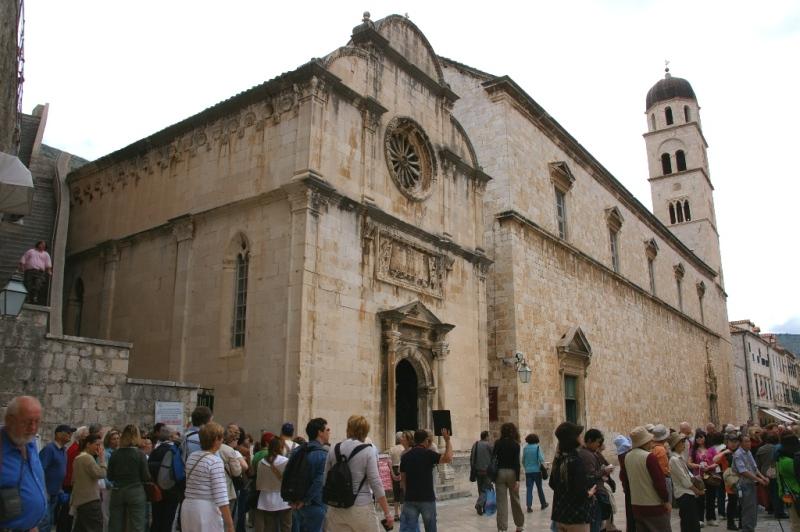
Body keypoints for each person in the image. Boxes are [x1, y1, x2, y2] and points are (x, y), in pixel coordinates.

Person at [324, 415, 393, 531]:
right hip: (361, 506)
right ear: (365, 431)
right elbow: (375, 482)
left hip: (336, 508)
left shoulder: (334, 449)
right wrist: (387, 512)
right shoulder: (368, 450)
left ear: (348, 429)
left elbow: (325, 479)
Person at [0, 396, 47, 531]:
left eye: (37, 422)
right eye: (27, 422)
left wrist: (32, 524)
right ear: (10, 420)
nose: (33, 428)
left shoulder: (30, 443)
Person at [181, 422, 235, 532]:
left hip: (188, 507)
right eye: (221, 438)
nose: (222, 441)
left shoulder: (192, 457)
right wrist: (230, 525)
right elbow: (221, 497)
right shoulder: (215, 461)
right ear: (216, 440)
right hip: (205, 510)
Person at [399, 427, 452, 532]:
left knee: (409, 529)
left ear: (414, 440)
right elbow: (448, 458)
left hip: (410, 499)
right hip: (427, 499)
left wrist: (407, 495)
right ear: (426, 440)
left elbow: (403, 481)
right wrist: (447, 440)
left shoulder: (405, 457)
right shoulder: (429, 454)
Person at [620, 426, 670, 532]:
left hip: (636, 505)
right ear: (645, 442)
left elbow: (624, 479)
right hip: (653, 505)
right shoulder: (649, 457)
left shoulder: (627, 456)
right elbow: (659, 482)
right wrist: (666, 500)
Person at [550, 422, 594, 532]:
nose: (581, 437)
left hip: (560, 515)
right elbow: (580, 492)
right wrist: (589, 493)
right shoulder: (576, 461)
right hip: (576, 517)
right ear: (573, 439)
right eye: (578, 435)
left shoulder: (559, 460)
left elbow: (552, 484)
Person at [107, 424, 150, 532]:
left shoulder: (115, 454)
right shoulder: (140, 454)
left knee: (115, 525)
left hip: (118, 491)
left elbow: (109, 476)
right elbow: (146, 476)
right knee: (137, 525)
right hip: (135, 491)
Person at [290, 418, 330, 532]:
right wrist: (304, 501)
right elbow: (318, 482)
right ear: (320, 432)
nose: (329, 432)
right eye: (327, 430)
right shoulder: (322, 454)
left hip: (296, 504)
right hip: (314, 504)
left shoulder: (297, 451)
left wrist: (293, 500)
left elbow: (288, 475)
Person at [38, 424, 74, 532]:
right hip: (46, 493)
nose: (70, 435)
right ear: (58, 434)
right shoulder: (49, 449)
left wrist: (60, 490)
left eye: (71, 433)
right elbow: (40, 470)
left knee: (50, 521)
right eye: (67, 432)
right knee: (44, 523)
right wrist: (44, 490)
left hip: (55, 493)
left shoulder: (63, 451)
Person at [147, 424, 181, 532]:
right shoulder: (175, 451)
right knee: (168, 521)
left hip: (157, 489)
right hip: (172, 490)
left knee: (156, 520)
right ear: (171, 437)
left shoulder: (155, 451)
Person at [71, 433, 108, 532]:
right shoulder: (87, 458)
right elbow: (101, 474)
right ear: (88, 444)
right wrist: (102, 459)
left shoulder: (78, 458)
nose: (99, 448)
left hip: (81, 501)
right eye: (97, 444)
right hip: (90, 501)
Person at [254, 437, 291, 532]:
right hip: (283, 499)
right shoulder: (285, 461)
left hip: (266, 499)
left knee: (269, 527)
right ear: (281, 448)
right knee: (286, 526)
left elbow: (259, 482)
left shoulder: (261, 462)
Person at [492, 423, 524, 532]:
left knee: (501, 502)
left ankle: (502, 528)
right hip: (512, 473)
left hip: (500, 473)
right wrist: (518, 479)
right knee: (515, 499)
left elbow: (493, 458)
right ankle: (519, 525)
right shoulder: (516, 444)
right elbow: (517, 463)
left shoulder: (497, 443)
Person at [668, 432, 702, 532]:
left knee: (692, 523)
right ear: (676, 444)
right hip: (684, 494)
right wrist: (696, 490)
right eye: (682, 441)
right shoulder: (674, 460)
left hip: (687, 494)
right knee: (689, 524)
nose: (684, 443)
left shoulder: (679, 457)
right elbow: (684, 480)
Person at [733, 435, 769, 532]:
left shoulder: (748, 452)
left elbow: (754, 467)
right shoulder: (738, 454)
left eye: (749, 441)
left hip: (751, 483)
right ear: (740, 443)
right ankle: (747, 529)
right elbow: (743, 471)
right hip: (743, 484)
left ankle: (751, 528)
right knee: (747, 508)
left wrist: (762, 477)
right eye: (746, 441)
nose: (749, 443)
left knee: (753, 508)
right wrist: (759, 479)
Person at [689, 430, 718, 527]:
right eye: (697, 437)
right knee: (700, 498)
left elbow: (716, 461)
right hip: (698, 477)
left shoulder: (711, 449)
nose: (699, 439)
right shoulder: (693, 450)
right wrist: (699, 466)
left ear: (705, 437)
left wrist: (709, 467)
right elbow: (689, 463)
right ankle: (700, 519)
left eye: (701, 437)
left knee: (711, 498)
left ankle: (711, 518)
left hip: (710, 476)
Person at [714, 434, 740, 531]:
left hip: (741, 478)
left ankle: (741, 523)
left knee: (741, 501)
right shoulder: (725, 452)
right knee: (732, 501)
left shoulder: (740, 451)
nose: (733, 444)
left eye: (735, 442)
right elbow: (715, 460)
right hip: (730, 480)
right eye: (731, 442)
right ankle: (730, 523)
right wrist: (724, 452)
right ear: (727, 442)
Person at [776, 434, 800, 532]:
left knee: (795, 522)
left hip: (789, 494)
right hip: (795, 494)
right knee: (797, 523)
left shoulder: (781, 458)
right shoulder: (789, 461)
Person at [18, 240, 53, 304]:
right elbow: (24, 257)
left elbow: (48, 264)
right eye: (41, 244)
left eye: (44, 245)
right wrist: (22, 266)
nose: (42, 246)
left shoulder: (46, 254)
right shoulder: (31, 251)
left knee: (38, 284)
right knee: (28, 284)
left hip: (40, 272)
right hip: (29, 271)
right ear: (38, 244)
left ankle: (34, 296)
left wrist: (49, 271)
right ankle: (27, 298)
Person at [614, 434, 634, 532]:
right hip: (629, 484)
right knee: (631, 510)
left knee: (630, 510)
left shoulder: (622, 455)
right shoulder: (625, 455)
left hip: (627, 484)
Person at [522, 433, 547, 513]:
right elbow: (542, 459)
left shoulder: (525, 448)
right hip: (537, 471)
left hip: (528, 472)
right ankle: (543, 503)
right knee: (539, 488)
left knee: (529, 489)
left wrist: (526, 467)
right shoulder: (537, 447)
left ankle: (529, 506)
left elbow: (523, 460)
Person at [470, 430, 493, 515]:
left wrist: (473, 468)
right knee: (486, 489)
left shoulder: (475, 444)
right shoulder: (489, 445)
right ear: (486, 436)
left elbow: (472, 458)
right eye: (489, 436)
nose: (489, 437)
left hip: (477, 471)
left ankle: (483, 508)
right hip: (487, 471)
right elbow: (494, 457)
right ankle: (479, 504)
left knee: (480, 490)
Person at [102, 428, 121, 530]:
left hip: (118, 486)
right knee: (106, 512)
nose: (116, 441)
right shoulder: (106, 453)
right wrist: (109, 484)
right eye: (114, 439)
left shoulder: (119, 452)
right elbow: (104, 471)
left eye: (118, 438)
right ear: (109, 440)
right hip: (109, 486)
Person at [390, 432, 407, 520]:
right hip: (402, 469)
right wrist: (401, 473)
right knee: (402, 492)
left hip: (394, 469)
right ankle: (403, 513)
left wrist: (392, 473)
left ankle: (396, 514)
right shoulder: (403, 449)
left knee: (395, 492)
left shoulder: (392, 449)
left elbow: (389, 462)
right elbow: (402, 462)